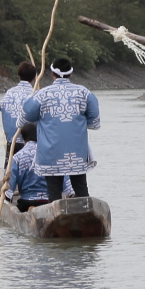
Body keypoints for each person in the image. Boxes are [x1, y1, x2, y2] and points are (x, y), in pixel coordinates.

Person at [21, 56, 101, 198]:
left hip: (51, 153)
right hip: (76, 152)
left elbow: (25, 117)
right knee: (81, 188)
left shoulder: (42, 94)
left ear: (52, 74)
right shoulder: (84, 92)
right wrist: (77, 122)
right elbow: (94, 122)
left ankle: (55, 215)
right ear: (71, 73)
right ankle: (85, 212)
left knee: (53, 191)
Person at [8, 121, 50, 210]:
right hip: (48, 202)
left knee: (21, 205)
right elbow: (64, 182)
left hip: (27, 201)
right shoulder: (50, 154)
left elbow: (9, 188)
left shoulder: (17, 157)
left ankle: (31, 209)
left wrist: (6, 199)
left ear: (23, 138)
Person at [0, 62, 37, 143]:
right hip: (30, 145)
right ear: (34, 78)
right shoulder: (35, 94)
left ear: (19, 76)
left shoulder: (9, 93)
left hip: (11, 142)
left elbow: (2, 108)